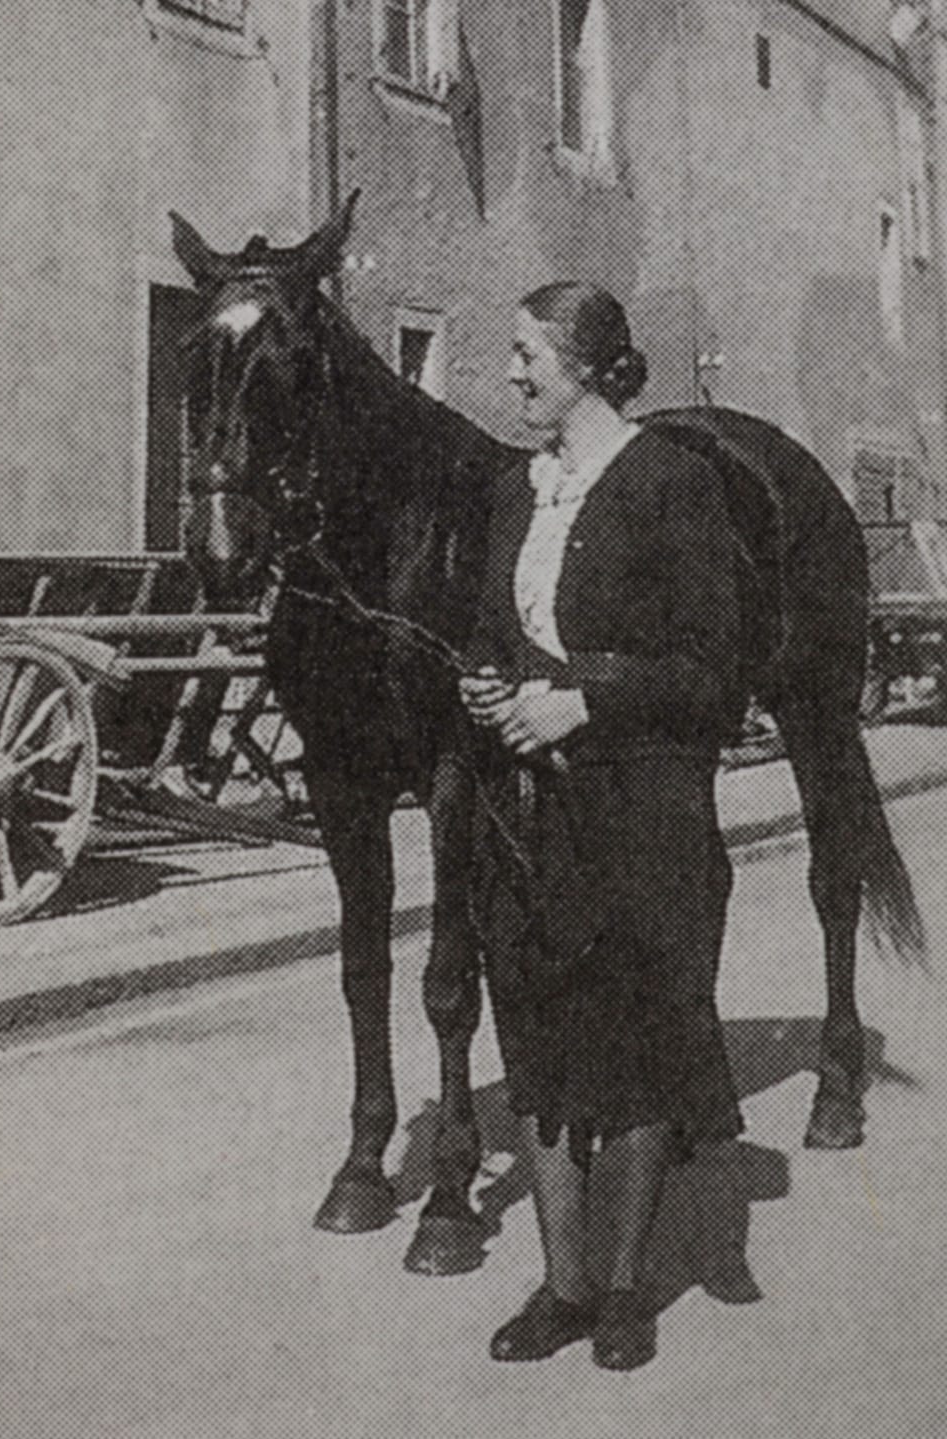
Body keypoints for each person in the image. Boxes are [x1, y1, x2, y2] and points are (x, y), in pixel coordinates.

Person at [460, 282, 744, 1370]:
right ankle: (564, 1285)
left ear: (585, 363)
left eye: (528, 354)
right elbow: (491, 631)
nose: (516, 374)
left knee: (630, 1042)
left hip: (642, 805)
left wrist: (584, 701)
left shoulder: (673, 484)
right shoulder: (515, 490)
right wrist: (486, 687)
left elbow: (712, 672)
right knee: (534, 1036)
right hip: (534, 815)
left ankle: (625, 1288)